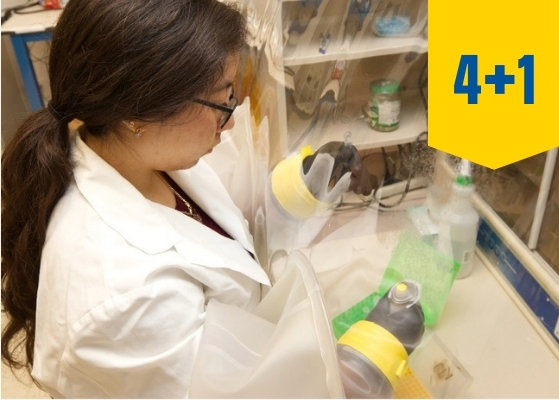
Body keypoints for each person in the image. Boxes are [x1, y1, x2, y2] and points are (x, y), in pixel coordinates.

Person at [1, 0, 381, 397]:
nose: (230, 120)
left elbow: (213, 229)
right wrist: (352, 369)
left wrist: (296, 192)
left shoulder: (136, 153)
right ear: (138, 110)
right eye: (221, 101)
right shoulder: (125, 302)